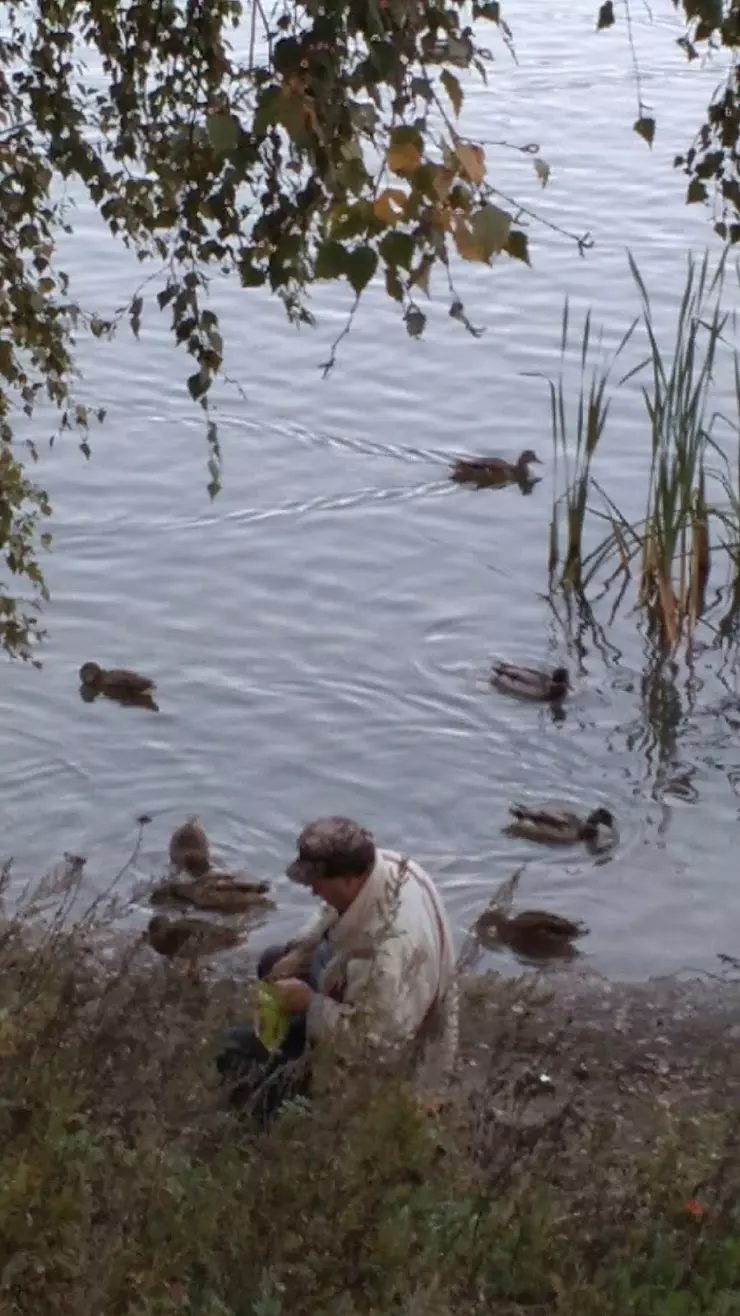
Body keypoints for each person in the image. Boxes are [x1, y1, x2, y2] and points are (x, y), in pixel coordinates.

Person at [215, 816, 458, 1123]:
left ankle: (273, 1113)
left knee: (232, 1047)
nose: (313, 890)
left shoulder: (383, 952)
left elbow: (374, 1045)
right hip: (390, 1001)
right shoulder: (390, 868)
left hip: (390, 1061)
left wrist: (311, 1005)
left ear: (349, 880)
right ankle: (288, 1047)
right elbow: (330, 909)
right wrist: (301, 950)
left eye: (317, 881)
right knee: (274, 960)